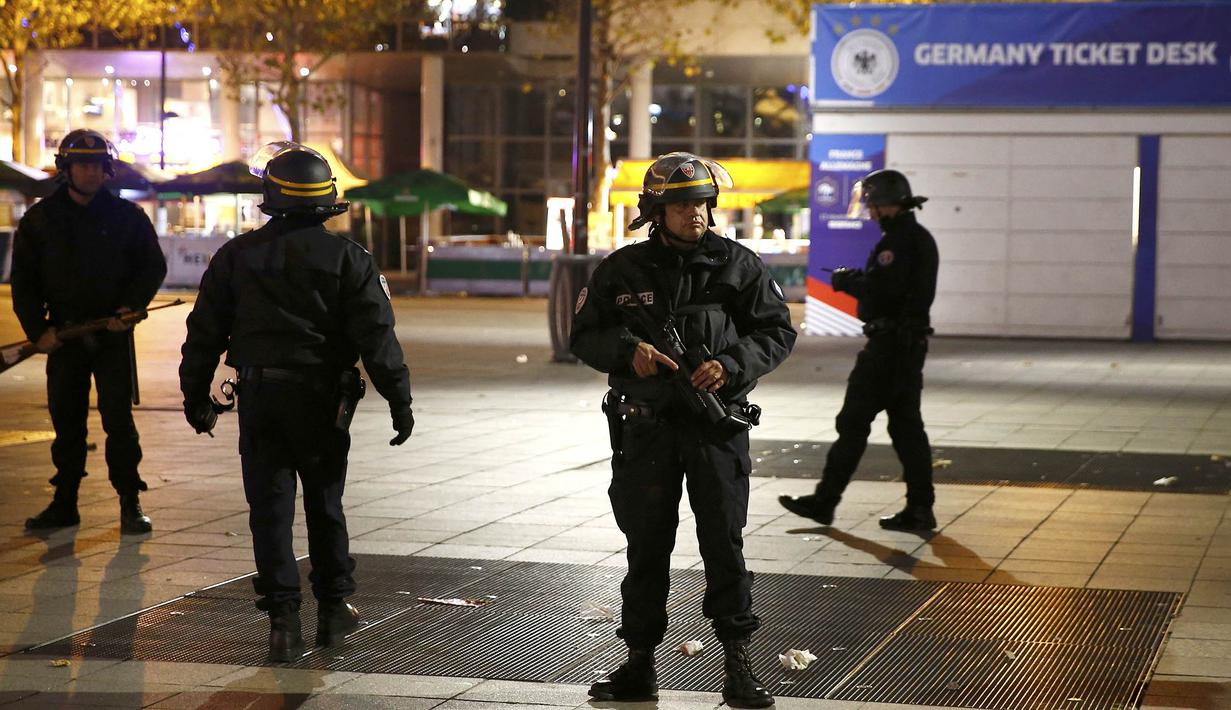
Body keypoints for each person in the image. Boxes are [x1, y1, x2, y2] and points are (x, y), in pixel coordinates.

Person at [571, 152, 796, 708]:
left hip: (716, 431)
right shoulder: (620, 271)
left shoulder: (738, 266)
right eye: (681, 205)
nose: (694, 213)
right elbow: (584, 334)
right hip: (645, 432)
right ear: (656, 210)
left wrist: (732, 364)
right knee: (646, 547)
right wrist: (629, 352)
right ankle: (639, 665)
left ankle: (739, 666)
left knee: (724, 544)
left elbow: (777, 331)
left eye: (701, 203)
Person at [178, 142, 414, 662]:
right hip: (323, 399)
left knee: (270, 510)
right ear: (325, 199)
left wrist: (195, 395)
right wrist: (399, 398)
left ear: (271, 196)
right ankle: (333, 610)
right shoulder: (351, 260)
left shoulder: (235, 257)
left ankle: (283, 623)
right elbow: (377, 337)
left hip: (261, 396)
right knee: (325, 504)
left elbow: (203, 334)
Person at [11, 129, 167, 535]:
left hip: (113, 336)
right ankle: (65, 503)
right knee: (67, 422)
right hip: (63, 338)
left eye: (97, 165)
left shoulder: (127, 217)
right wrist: (38, 330)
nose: (90, 172)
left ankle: (130, 501)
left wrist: (130, 307)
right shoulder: (40, 219)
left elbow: (152, 267)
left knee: (119, 422)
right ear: (66, 169)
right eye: (82, 164)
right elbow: (24, 283)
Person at [779, 168, 939, 531]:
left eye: (872, 205)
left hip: (888, 349)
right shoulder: (918, 238)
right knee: (907, 428)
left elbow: (883, 293)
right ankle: (920, 507)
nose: (869, 211)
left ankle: (825, 501)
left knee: (853, 424)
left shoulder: (896, 243)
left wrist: (849, 282)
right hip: (908, 347)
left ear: (886, 205)